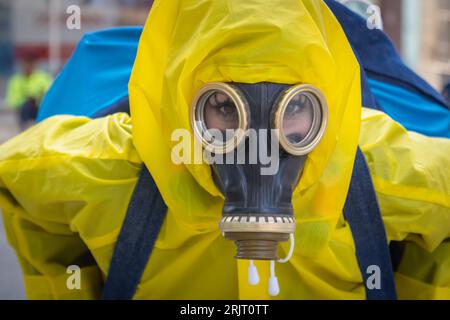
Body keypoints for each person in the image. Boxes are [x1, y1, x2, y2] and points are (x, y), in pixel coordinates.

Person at [0, 0, 449, 300]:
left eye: (292, 107)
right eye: (223, 106)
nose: (260, 147)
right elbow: (21, 185)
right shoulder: (116, 167)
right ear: (182, 106)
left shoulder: (372, 166)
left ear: (325, 104)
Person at [5, 53, 52, 130]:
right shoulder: (16, 80)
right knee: (26, 108)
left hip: (39, 108)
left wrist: (38, 98)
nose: (27, 67)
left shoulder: (43, 77)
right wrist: (25, 100)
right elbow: (13, 100)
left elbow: (50, 94)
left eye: (30, 65)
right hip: (24, 110)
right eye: (26, 65)